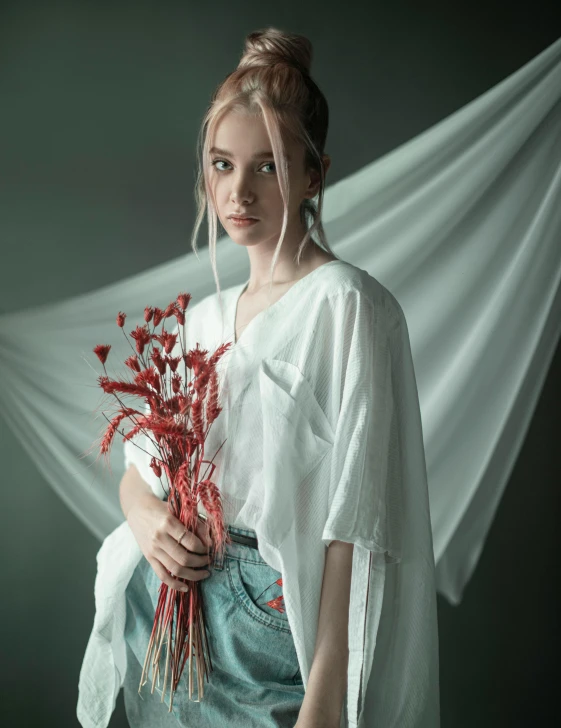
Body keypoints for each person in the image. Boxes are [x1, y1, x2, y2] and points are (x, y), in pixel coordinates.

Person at [77, 26, 440, 728]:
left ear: (314, 174)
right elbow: (141, 472)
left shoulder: (347, 306)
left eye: (267, 165)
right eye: (221, 164)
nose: (237, 190)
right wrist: (148, 519)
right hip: (165, 611)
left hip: (271, 627)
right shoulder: (202, 320)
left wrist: (325, 703)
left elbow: (354, 525)